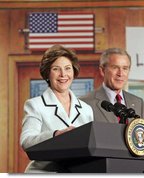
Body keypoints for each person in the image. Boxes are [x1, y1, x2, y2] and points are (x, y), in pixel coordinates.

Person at [20, 44, 94, 173]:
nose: (63, 74)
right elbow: (26, 141)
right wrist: (56, 135)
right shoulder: (35, 105)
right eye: (56, 69)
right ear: (47, 73)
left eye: (67, 68)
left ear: (74, 71)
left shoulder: (86, 109)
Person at [80, 48, 144, 123]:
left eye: (125, 68)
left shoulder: (138, 102)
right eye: (115, 67)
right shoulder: (85, 103)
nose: (120, 74)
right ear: (102, 70)